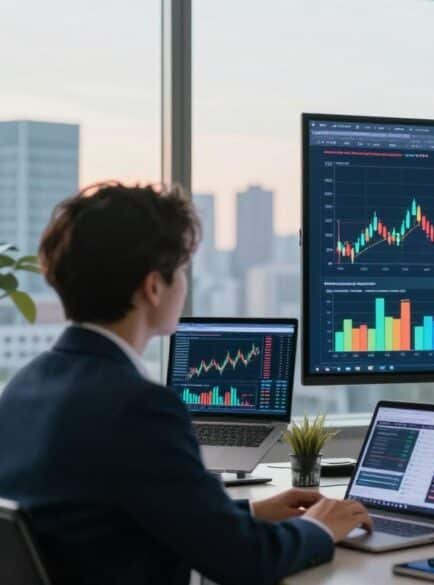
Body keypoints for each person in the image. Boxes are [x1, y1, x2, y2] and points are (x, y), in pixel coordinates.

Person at [0, 182, 373, 585]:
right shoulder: (138, 407)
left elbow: (99, 520)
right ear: (154, 287)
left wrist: (248, 514)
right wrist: (321, 528)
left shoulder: (25, 385)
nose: (184, 284)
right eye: (180, 270)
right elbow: (249, 562)